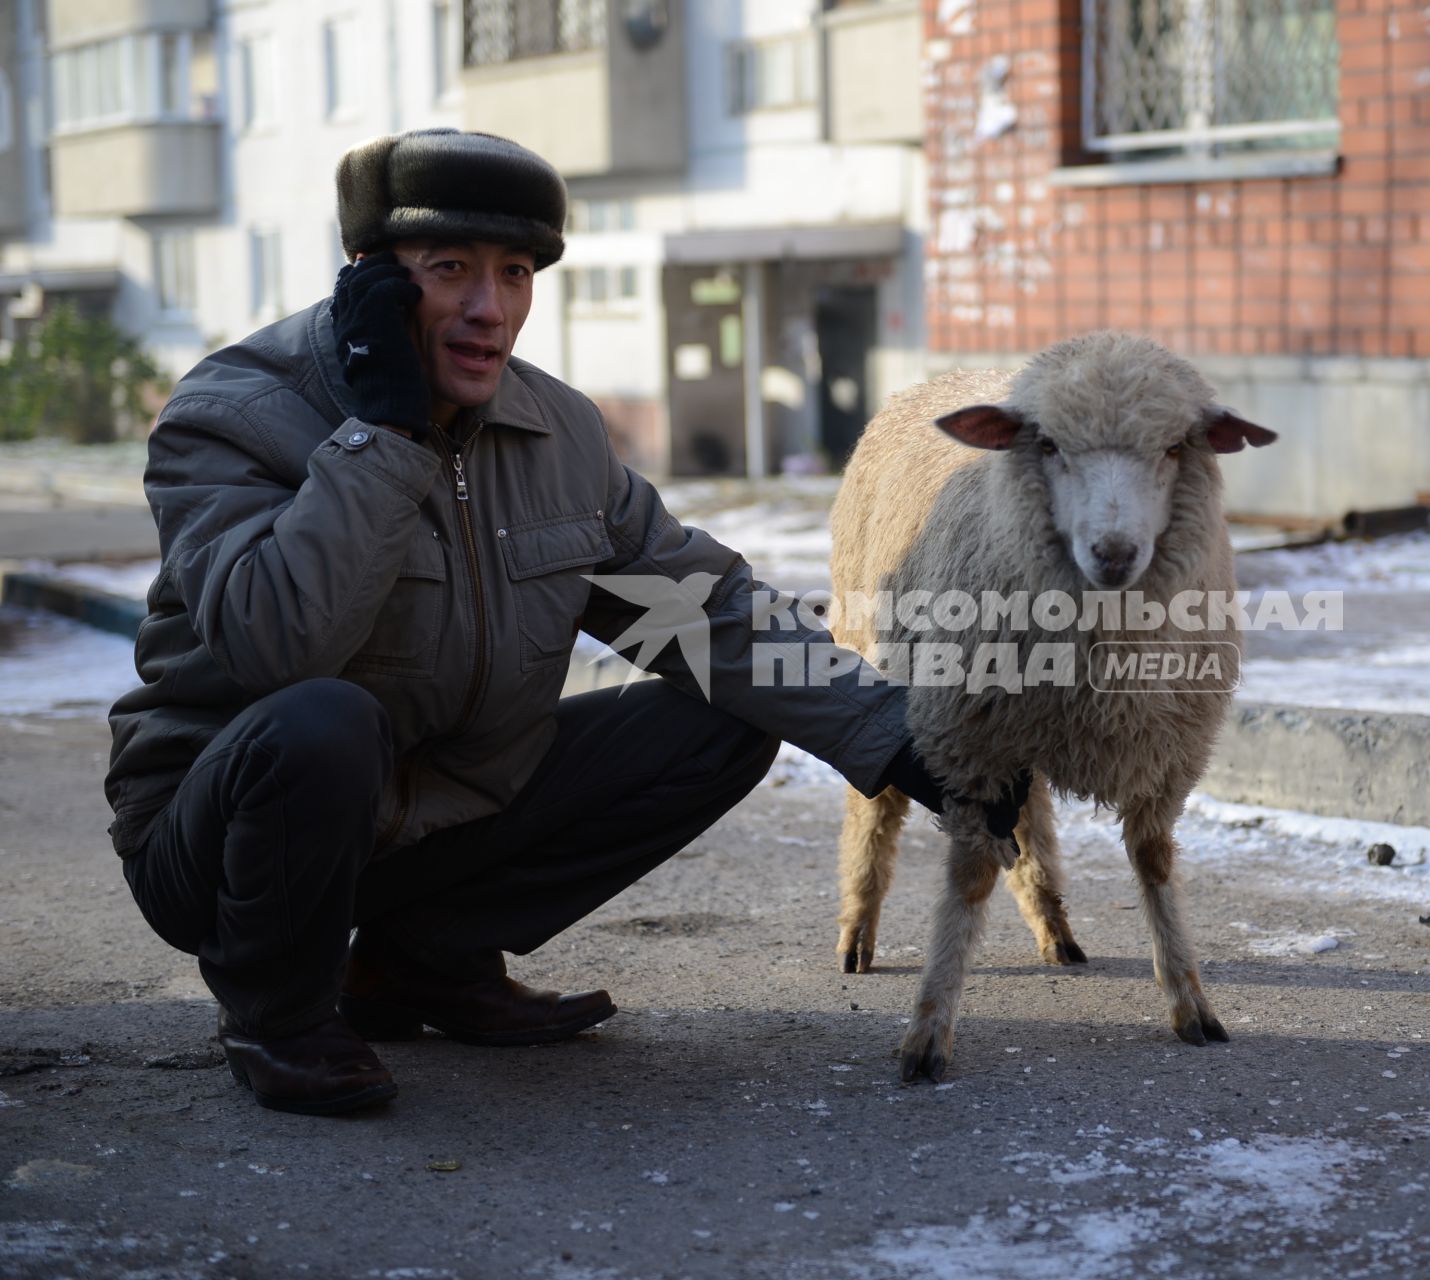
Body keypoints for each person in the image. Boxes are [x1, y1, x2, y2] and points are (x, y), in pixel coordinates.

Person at [103, 129, 1011, 1116]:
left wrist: (902, 737)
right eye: (449, 270)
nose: (489, 310)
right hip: (224, 844)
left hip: (434, 821)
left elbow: (705, 611)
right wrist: (385, 433)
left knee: (723, 716)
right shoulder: (232, 413)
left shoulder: (559, 433)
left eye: (516, 273)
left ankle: (422, 959)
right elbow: (278, 642)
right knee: (324, 716)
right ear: (369, 278)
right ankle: (278, 1010)